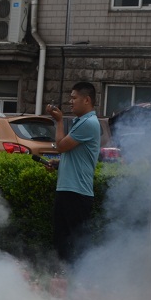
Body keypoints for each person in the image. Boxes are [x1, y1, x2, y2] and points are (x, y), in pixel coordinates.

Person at [36, 81, 101, 265]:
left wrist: (58, 121)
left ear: (87, 100)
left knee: (77, 243)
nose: (70, 102)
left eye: (74, 98)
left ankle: (78, 278)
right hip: (69, 190)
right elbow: (75, 156)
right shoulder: (81, 122)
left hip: (76, 192)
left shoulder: (88, 123)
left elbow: (61, 146)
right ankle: (63, 276)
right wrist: (58, 164)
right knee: (61, 239)